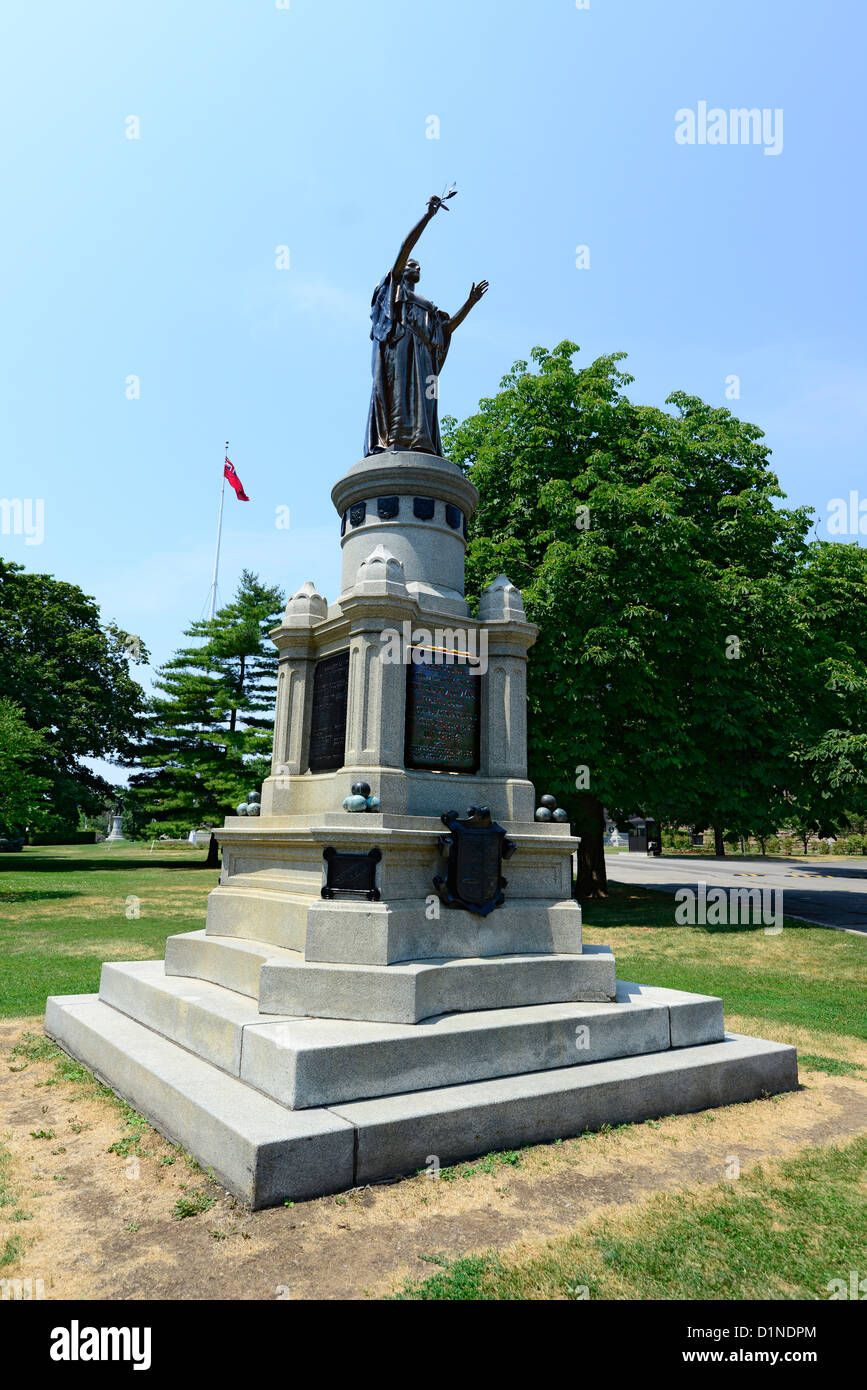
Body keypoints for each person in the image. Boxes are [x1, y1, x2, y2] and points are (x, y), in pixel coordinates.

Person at [364, 194, 488, 457]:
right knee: (398, 398)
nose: (415, 265)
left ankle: (423, 442)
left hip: (423, 360)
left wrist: (470, 302)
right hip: (399, 351)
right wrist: (428, 217)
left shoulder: (428, 305)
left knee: (426, 404)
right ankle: (395, 441)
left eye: (418, 265)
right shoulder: (395, 288)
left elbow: (447, 329)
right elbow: (404, 248)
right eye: (411, 264)